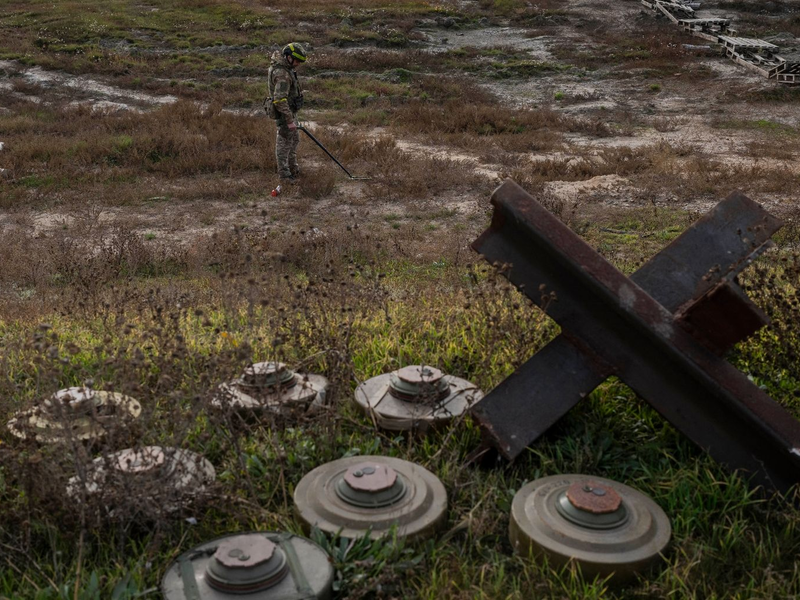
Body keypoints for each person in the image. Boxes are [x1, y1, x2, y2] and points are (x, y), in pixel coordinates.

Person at [265, 42, 307, 182]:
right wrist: (289, 120)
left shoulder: (286, 68)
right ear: (288, 57)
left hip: (290, 111)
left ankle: (292, 168)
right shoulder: (282, 73)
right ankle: (284, 175)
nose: (298, 64)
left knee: (294, 140)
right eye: (297, 61)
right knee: (284, 143)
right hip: (284, 113)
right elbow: (280, 100)